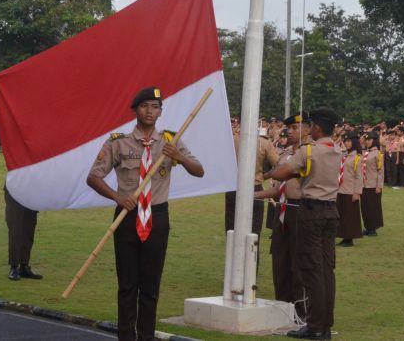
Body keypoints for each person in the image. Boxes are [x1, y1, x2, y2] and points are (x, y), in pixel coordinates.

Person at [86, 87, 204, 341]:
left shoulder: (171, 140)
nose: (150, 111)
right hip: (127, 216)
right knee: (127, 286)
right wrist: (118, 197)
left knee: (150, 287)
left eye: (155, 106)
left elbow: (199, 171)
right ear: (135, 110)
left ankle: (146, 337)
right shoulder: (118, 142)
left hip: (157, 217)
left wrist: (179, 157)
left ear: (160, 111)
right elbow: (93, 177)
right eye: (144, 106)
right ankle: (126, 337)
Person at [266, 107, 342, 341]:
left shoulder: (308, 151)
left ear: (316, 127)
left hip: (311, 212)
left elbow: (280, 174)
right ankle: (324, 325)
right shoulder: (336, 149)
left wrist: (274, 173)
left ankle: (315, 326)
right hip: (331, 210)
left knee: (312, 270)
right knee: (326, 271)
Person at [255, 112, 308, 316]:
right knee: (280, 258)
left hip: (300, 209)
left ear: (308, 129)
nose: (290, 132)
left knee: (298, 260)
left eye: (295, 128)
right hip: (282, 209)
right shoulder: (285, 155)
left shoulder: (309, 153)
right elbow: (277, 189)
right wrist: (254, 195)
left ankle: (301, 309)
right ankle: (283, 304)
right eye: (289, 128)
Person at [225, 120, 279, 237]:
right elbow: (278, 165)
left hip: (234, 188)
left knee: (232, 231)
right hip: (254, 186)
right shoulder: (264, 143)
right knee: (253, 233)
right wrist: (264, 176)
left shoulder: (230, 140)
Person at [4, 186, 42, 281]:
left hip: (31, 192)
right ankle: (14, 267)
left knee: (29, 231)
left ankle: (24, 266)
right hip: (15, 189)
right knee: (15, 230)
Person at [336, 131, 363, 247]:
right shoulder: (344, 155)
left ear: (354, 142)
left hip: (350, 191)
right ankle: (343, 236)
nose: (346, 143)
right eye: (345, 141)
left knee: (349, 216)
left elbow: (359, 176)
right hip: (341, 189)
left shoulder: (357, 157)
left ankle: (349, 238)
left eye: (348, 141)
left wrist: (357, 192)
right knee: (341, 214)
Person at [360, 131, 384, 236]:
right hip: (363, 184)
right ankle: (368, 227)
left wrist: (379, 185)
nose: (367, 142)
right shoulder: (364, 152)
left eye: (369, 140)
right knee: (364, 207)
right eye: (366, 140)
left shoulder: (378, 153)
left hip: (373, 184)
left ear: (374, 141)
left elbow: (380, 171)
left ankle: (373, 228)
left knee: (373, 207)